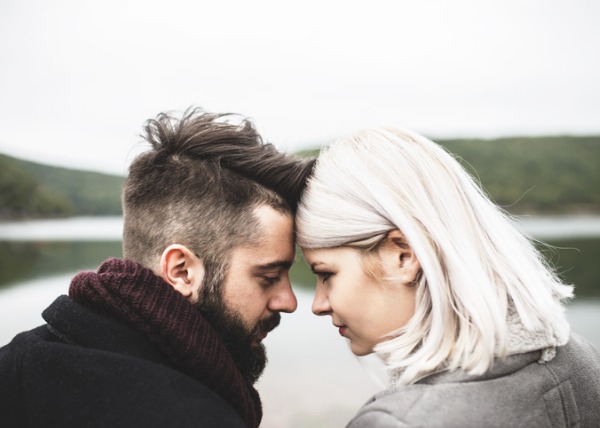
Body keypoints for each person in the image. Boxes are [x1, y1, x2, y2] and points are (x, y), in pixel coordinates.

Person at [0, 108, 315, 428]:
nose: (288, 301)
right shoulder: (194, 417)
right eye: (269, 277)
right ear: (181, 271)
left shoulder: (14, 365)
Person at [296, 127, 600, 427]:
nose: (318, 304)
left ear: (403, 255)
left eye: (326, 274)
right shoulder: (583, 360)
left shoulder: (399, 422)